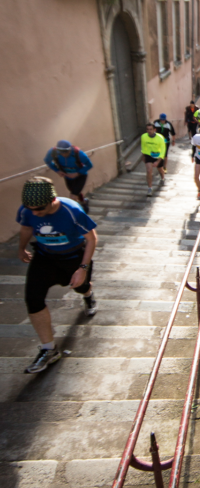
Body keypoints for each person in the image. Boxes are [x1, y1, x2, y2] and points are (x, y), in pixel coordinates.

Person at [17, 177, 98, 373]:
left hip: (73, 258)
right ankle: (49, 349)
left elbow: (92, 238)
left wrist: (82, 268)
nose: (35, 213)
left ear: (53, 200)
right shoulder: (27, 210)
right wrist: (21, 248)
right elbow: (27, 227)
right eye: (31, 209)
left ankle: (88, 295)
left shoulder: (73, 211)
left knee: (80, 287)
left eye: (39, 210)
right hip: (44, 257)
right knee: (33, 299)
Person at [44, 140, 93, 214]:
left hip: (81, 176)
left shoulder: (79, 154)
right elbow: (47, 161)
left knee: (73, 196)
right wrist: (57, 171)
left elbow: (89, 165)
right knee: (75, 192)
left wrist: (77, 173)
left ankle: (77, 214)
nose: (64, 154)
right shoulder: (53, 152)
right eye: (61, 152)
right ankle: (84, 202)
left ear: (70, 149)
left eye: (66, 152)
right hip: (68, 177)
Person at [141, 122, 166, 196]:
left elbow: (163, 150)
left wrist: (158, 161)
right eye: (147, 129)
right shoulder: (143, 136)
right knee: (149, 171)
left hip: (158, 155)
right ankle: (150, 188)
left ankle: (162, 178)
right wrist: (143, 156)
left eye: (151, 129)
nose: (149, 131)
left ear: (154, 129)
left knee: (160, 169)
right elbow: (143, 147)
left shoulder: (160, 138)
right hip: (148, 155)